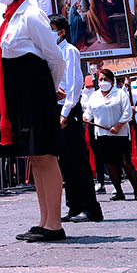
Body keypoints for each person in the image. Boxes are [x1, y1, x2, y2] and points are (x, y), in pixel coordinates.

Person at [0, 0, 67, 243]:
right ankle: (44, 220)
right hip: (17, 93)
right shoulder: (7, 20)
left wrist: (50, 89)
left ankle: (55, 224)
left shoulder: (32, 15)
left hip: (35, 90)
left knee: (45, 155)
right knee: (34, 157)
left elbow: (54, 57)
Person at [52, 15, 101, 223]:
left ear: (61, 31)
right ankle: (74, 205)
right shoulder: (52, 53)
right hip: (56, 107)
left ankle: (91, 207)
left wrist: (65, 113)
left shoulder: (69, 51)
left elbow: (73, 84)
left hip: (68, 110)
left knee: (78, 160)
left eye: (51, 29)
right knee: (66, 162)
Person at [83, 68, 137, 201]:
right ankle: (119, 191)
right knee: (110, 164)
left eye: (106, 79)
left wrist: (118, 126)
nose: (103, 82)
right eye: (101, 79)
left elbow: (127, 112)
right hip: (103, 135)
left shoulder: (120, 94)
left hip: (120, 135)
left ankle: (136, 190)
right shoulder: (94, 96)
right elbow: (89, 112)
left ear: (112, 81)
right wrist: (86, 117)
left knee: (126, 162)